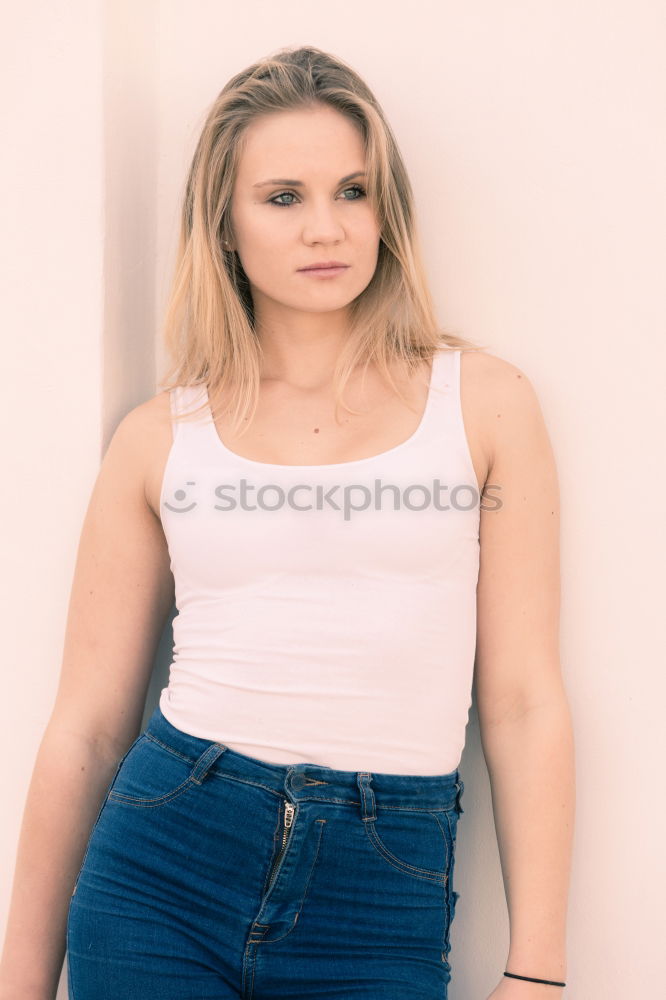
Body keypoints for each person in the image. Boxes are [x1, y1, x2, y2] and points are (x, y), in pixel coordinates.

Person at [0, 45, 575, 1000]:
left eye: (353, 190)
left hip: (379, 884)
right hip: (164, 861)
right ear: (223, 223)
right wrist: (18, 986)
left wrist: (537, 969)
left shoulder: (485, 403)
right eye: (282, 197)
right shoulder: (157, 439)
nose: (327, 227)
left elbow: (522, 702)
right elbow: (87, 732)